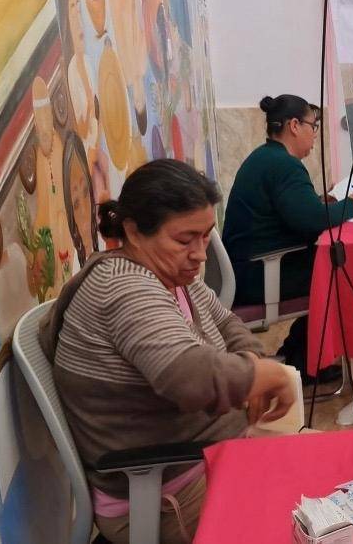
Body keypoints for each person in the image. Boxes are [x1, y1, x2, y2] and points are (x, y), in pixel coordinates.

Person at [41, 159, 296, 543]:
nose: (200, 254)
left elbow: (225, 322)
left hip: (204, 457)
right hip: (163, 490)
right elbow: (191, 378)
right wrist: (269, 375)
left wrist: (254, 361)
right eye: (184, 239)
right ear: (133, 231)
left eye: (206, 236)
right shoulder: (125, 288)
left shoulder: (174, 276)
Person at [222, 95, 353, 382]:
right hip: (261, 277)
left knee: (332, 263)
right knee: (343, 270)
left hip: (248, 270)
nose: (314, 135)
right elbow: (311, 221)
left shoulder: (266, 157)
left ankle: (299, 357)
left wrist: (326, 202)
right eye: (313, 126)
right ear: (295, 125)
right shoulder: (284, 165)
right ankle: (307, 363)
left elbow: (296, 211)